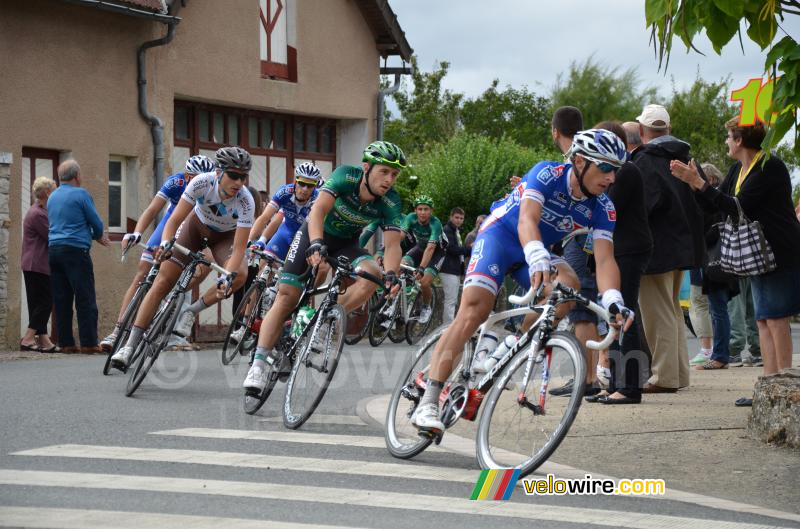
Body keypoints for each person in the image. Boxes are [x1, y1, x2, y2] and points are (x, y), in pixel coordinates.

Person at [412, 129, 634, 432]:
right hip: (501, 238)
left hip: (536, 249)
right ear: (580, 161)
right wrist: (535, 253)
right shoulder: (547, 173)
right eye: (605, 167)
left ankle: (513, 343)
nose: (611, 177)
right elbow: (526, 219)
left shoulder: (603, 207)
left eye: (616, 170)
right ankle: (429, 400)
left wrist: (613, 300)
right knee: (475, 309)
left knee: (570, 288)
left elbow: (606, 259)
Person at [243, 141, 408, 392]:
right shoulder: (345, 176)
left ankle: (324, 319)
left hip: (347, 243)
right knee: (287, 297)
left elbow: (394, 245)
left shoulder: (391, 202)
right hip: (313, 234)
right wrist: (317, 243)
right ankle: (258, 364)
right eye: (384, 171)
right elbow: (318, 211)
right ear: (366, 167)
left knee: (372, 275)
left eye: (394, 175)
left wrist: (393, 274)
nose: (389, 179)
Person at [670, 119, 800, 405]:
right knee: (764, 318)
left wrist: (699, 183)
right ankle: (769, 385)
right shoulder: (736, 170)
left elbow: (738, 206)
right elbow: (718, 205)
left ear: (740, 140)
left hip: (779, 250)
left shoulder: (769, 167)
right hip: (759, 254)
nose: (727, 142)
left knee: (776, 318)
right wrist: (694, 186)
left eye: (729, 137)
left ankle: (785, 386)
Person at [111, 147, 255, 367]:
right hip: (194, 228)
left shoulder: (246, 201)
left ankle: (191, 311)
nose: (239, 182)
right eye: (233, 175)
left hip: (224, 238)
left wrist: (227, 275)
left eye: (243, 177)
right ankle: (129, 346)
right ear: (218, 172)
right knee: (162, 282)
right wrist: (167, 242)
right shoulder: (201, 182)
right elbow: (175, 219)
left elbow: (238, 249)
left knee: (240, 275)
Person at [100, 155, 216, 350]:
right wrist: (136, 232)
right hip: (170, 224)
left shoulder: (214, 190)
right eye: (196, 177)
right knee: (142, 274)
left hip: (194, 231)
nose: (202, 182)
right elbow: (153, 209)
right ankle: (117, 331)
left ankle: (170, 303)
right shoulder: (175, 182)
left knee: (202, 265)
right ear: (187, 176)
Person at [632, 104, 705, 393]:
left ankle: (664, 376)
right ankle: (679, 375)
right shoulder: (684, 159)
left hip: (656, 249)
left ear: (641, 131)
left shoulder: (645, 161)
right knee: (672, 310)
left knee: (656, 312)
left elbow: (644, 206)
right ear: (669, 129)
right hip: (682, 247)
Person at [584, 121, 652, 404]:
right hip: (618, 249)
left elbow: (607, 206)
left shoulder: (624, 171)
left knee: (625, 313)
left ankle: (630, 386)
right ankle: (611, 384)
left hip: (630, 249)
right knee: (612, 314)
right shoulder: (621, 170)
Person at [48, 160, 111, 353]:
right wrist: (98, 236)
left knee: (62, 298)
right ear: (77, 176)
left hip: (54, 250)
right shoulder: (81, 194)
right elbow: (96, 222)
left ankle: (66, 343)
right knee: (85, 296)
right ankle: (89, 343)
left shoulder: (52, 196)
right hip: (76, 251)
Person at [248, 162, 321, 261]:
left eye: (310, 186)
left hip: (304, 239)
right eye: (302, 183)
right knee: (265, 263)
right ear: (295, 181)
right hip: (285, 233)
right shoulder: (285, 193)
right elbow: (265, 217)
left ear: (315, 186)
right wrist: (252, 241)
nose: (305, 189)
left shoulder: (318, 199)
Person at [21, 176, 58, 353]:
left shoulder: (41, 211)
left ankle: (44, 340)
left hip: (36, 264)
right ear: (47, 193)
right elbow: (51, 235)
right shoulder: (37, 214)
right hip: (36, 264)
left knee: (38, 303)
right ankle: (28, 338)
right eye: (54, 190)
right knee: (45, 301)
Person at [401, 195, 446, 324]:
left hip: (437, 252)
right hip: (420, 247)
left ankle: (426, 307)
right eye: (420, 209)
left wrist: (421, 268)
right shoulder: (410, 218)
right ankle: (396, 300)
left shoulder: (435, 223)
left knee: (424, 282)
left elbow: (431, 248)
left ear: (431, 211)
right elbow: (400, 235)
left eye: (426, 209)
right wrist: (386, 251)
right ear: (415, 210)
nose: (423, 212)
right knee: (401, 265)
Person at [440, 207, 467, 324]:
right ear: (451, 217)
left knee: (452, 300)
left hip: (453, 269)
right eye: (456, 217)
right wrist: (469, 249)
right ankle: (447, 328)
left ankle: (448, 327)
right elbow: (452, 249)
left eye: (461, 218)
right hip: (448, 269)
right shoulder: (447, 230)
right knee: (450, 301)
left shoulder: (455, 231)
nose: (459, 220)